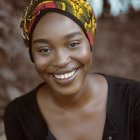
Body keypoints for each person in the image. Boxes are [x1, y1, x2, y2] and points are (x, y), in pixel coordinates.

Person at [4, 0, 140, 140]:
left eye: (73, 44)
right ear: (32, 55)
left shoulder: (134, 100)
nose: (61, 61)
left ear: (90, 44)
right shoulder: (19, 116)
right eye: (44, 49)